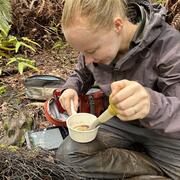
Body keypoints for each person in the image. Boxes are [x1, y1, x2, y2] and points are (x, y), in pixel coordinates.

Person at [56, 0, 180, 179]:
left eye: (91, 50)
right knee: (68, 156)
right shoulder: (95, 44)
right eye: (83, 53)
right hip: (119, 123)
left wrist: (151, 104)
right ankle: (151, 168)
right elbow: (83, 70)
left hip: (164, 132)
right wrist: (71, 87)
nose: (88, 59)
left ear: (117, 25)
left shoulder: (170, 46)